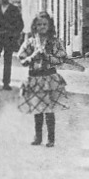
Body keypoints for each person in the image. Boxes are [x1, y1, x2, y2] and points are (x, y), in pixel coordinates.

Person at [17, 11, 81, 148]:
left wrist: (47, 56)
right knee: (38, 108)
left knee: (49, 109)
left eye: (45, 24)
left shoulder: (54, 42)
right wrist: (33, 56)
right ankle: (38, 136)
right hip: (35, 77)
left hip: (49, 77)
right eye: (39, 24)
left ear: (50, 26)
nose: (42, 27)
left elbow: (61, 59)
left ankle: (51, 138)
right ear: (34, 26)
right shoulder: (30, 42)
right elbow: (22, 60)